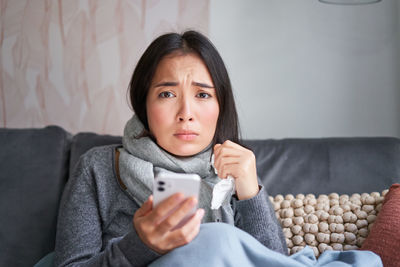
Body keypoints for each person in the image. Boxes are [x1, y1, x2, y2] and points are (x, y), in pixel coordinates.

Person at [54, 31, 382, 267]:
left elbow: (271, 262)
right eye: (167, 94)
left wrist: (251, 192)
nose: (186, 112)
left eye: (202, 95)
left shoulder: (230, 171)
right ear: (144, 105)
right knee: (214, 239)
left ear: (220, 106)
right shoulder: (98, 168)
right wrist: (139, 246)